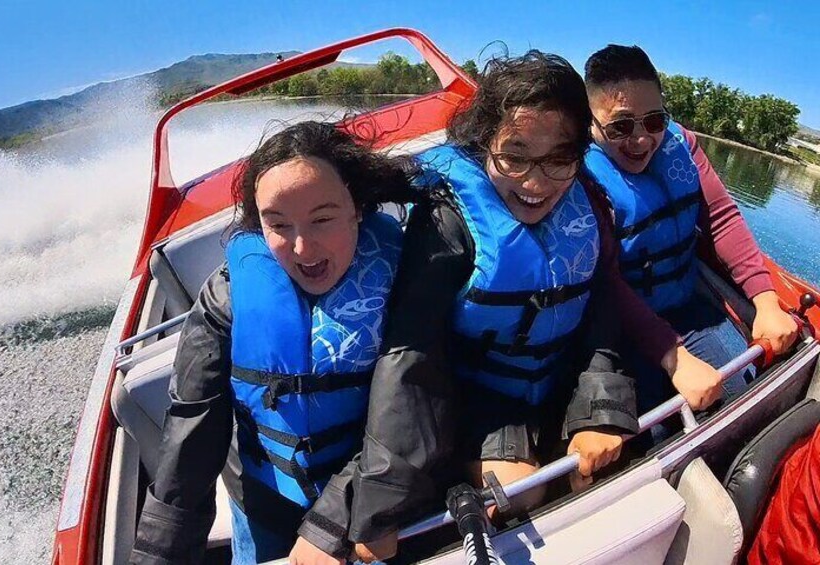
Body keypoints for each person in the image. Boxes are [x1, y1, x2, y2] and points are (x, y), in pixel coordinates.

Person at [335, 51, 711, 564]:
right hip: (475, 394)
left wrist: (597, 411)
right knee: (523, 489)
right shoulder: (448, 221)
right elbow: (411, 356)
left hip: (556, 376)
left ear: (579, 155)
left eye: (559, 158)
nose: (536, 183)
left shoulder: (583, 202)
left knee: (598, 462)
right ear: (484, 144)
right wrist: (382, 508)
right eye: (514, 156)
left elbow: (598, 311)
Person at [130, 120, 420, 564]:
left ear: (357, 207)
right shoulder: (228, 297)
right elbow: (192, 427)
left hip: (385, 496)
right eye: (279, 225)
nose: (303, 248)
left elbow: (417, 403)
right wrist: (157, 556)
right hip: (265, 503)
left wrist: (336, 517)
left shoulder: (407, 277)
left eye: (322, 219)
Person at [582, 45, 799, 415]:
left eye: (654, 121)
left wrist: (765, 300)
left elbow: (722, 217)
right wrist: (674, 357)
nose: (641, 139)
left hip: (688, 305)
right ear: (592, 120)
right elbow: (605, 279)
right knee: (662, 425)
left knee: (748, 392)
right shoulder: (578, 174)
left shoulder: (682, 145)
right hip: (619, 328)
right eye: (620, 126)